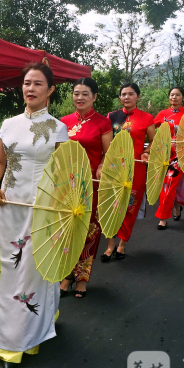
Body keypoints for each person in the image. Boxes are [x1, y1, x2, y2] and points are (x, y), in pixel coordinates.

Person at [0, 62, 68, 368]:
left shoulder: (58, 128)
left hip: (41, 211)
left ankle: (20, 339)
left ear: (49, 91)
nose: (30, 88)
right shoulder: (7, 124)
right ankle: (0, 330)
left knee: (31, 273)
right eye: (26, 83)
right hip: (8, 207)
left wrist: (61, 207)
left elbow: (64, 172)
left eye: (37, 83)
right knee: (4, 270)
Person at [60, 78, 112, 297]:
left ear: (94, 97)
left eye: (84, 94)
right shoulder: (63, 122)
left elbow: (109, 154)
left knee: (88, 231)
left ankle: (81, 277)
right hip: (66, 185)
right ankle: (67, 273)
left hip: (91, 184)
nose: (79, 97)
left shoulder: (103, 122)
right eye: (75, 93)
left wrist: (101, 165)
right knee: (67, 230)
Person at [101, 83, 154, 260]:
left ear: (138, 96)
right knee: (109, 204)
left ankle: (122, 243)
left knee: (130, 205)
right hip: (114, 166)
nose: (126, 97)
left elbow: (154, 142)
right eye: (123, 94)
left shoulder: (147, 118)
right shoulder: (111, 117)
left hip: (136, 167)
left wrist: (146, 152)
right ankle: (110, 244)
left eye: (131, 94)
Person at [154, 87, 184, 230]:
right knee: (166, 184)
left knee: (168, 183)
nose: (174, 97)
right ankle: (176, 206)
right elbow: (151, 127)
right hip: (163, 154)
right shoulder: (163, 113)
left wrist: (178, 130)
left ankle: (163, 217)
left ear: (183, 97)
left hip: (179, 155)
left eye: (177, 95)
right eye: (172, 95)